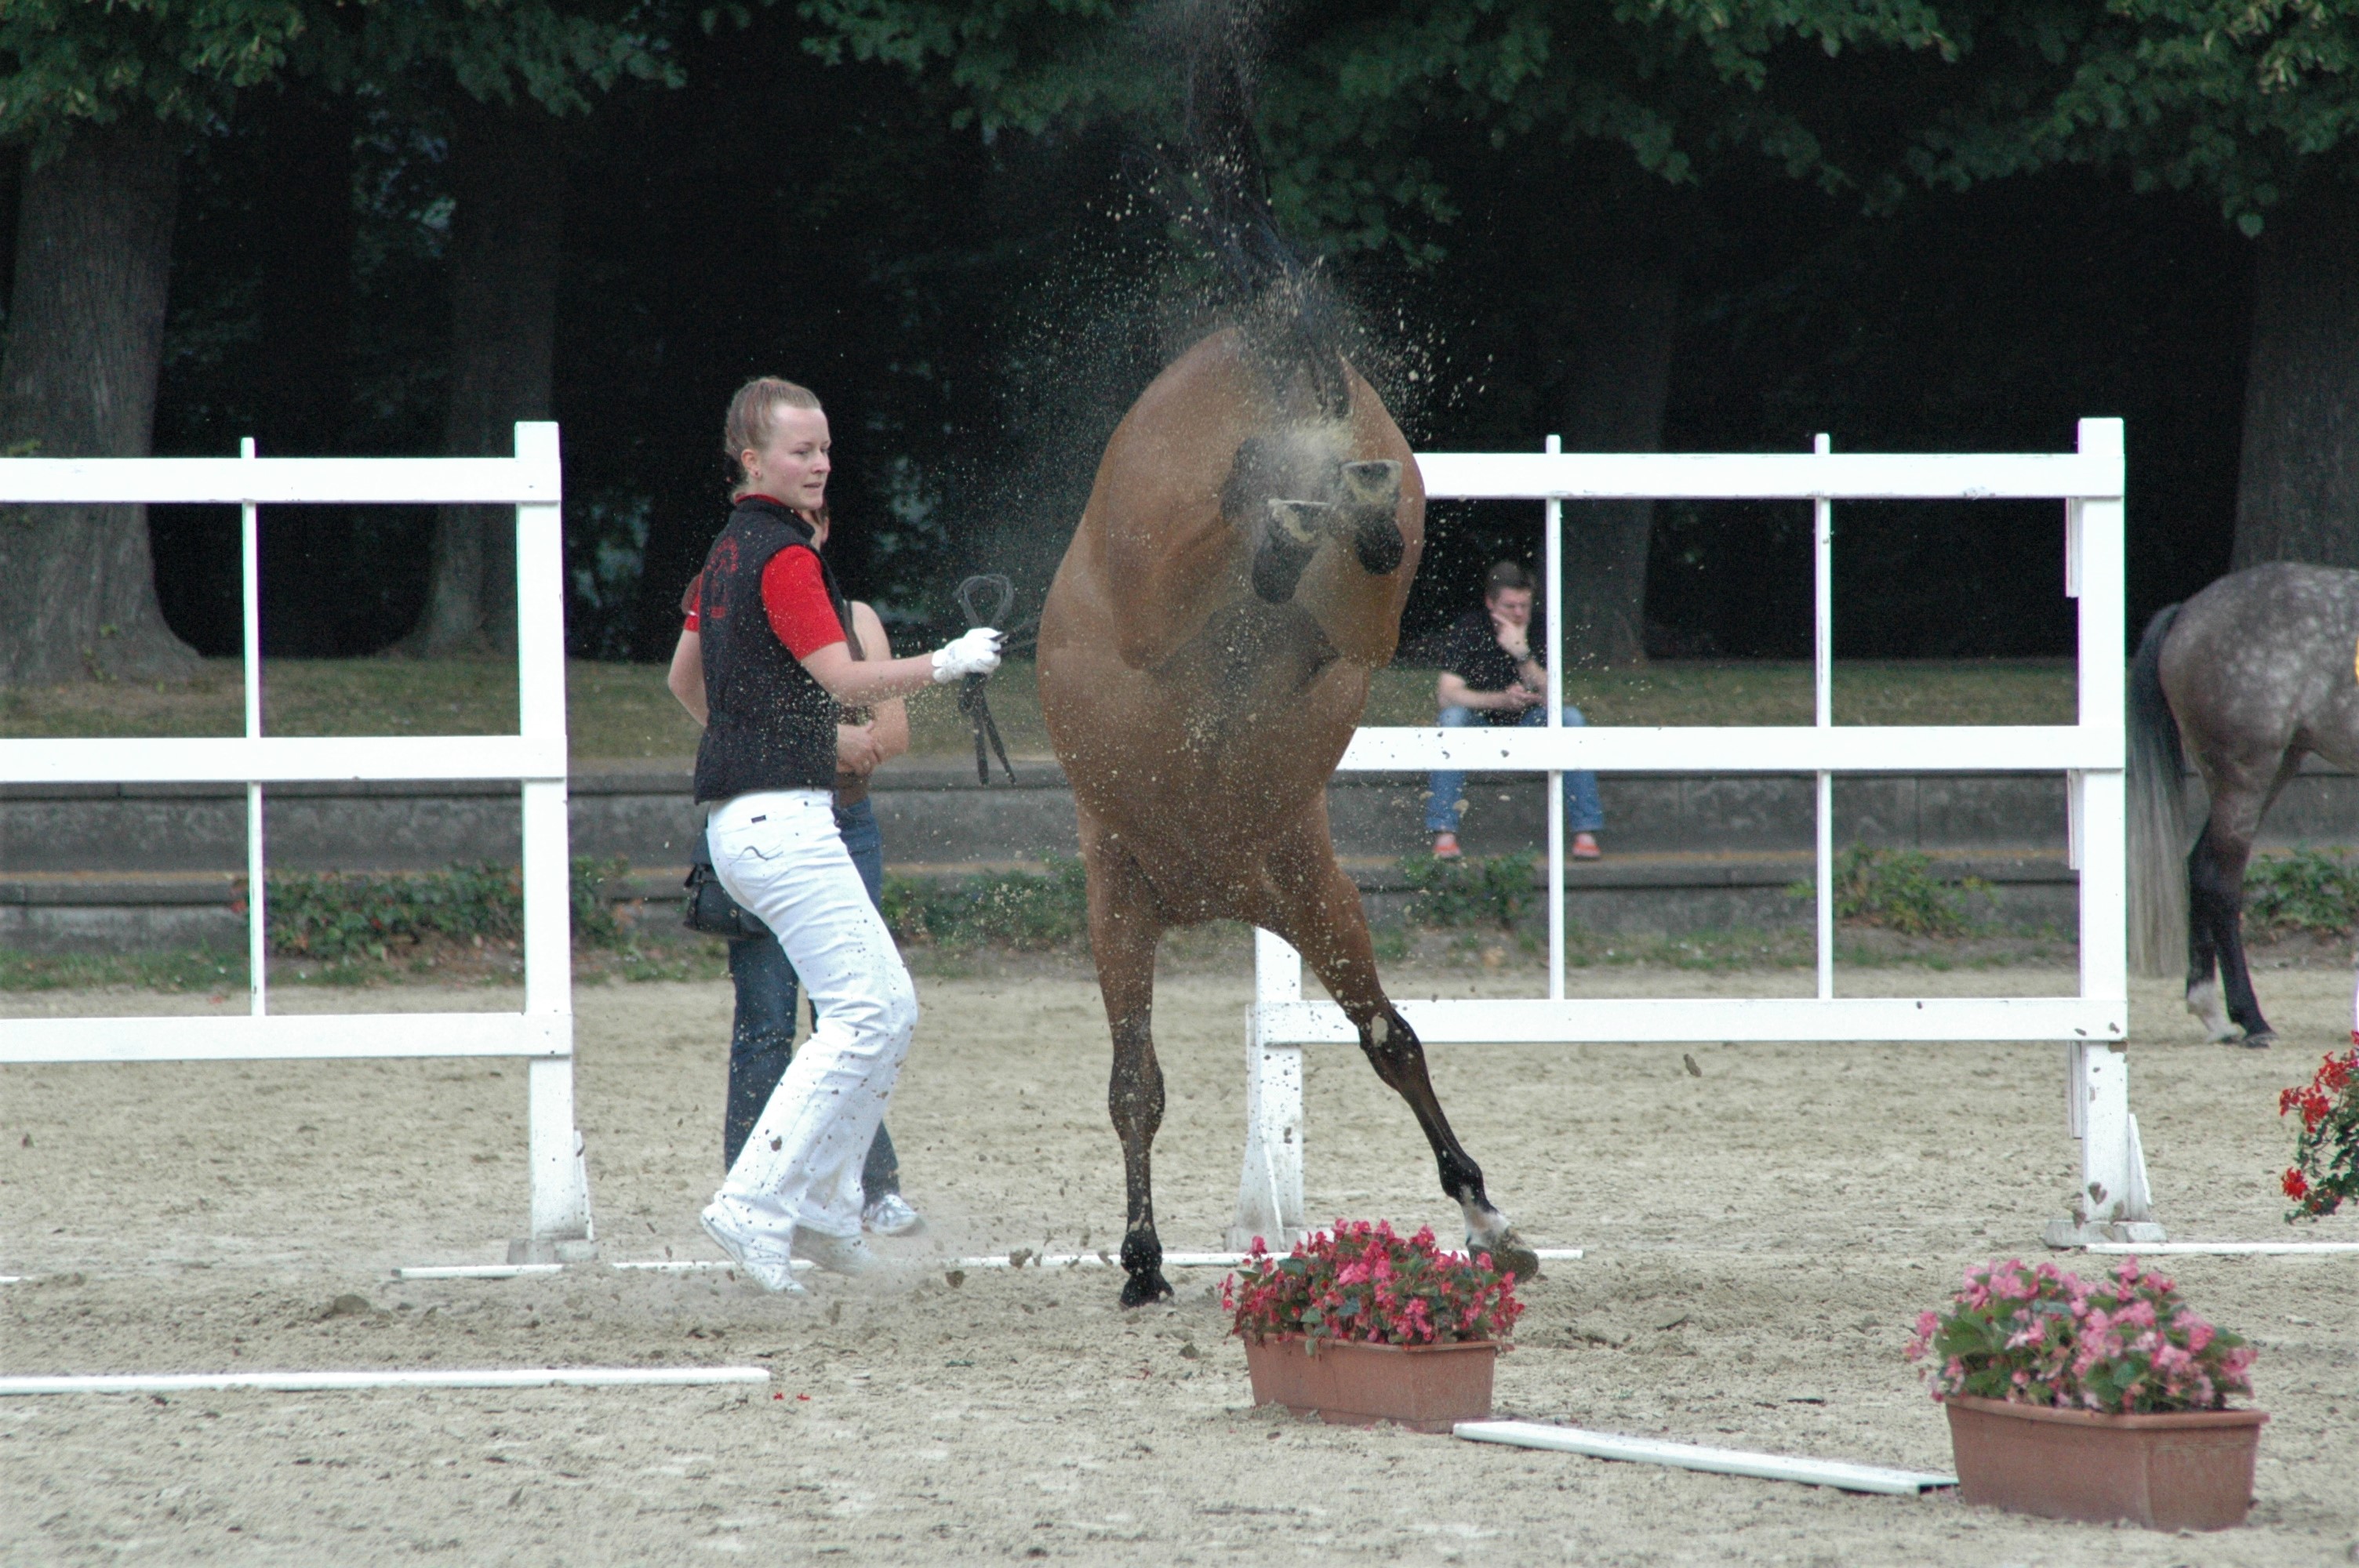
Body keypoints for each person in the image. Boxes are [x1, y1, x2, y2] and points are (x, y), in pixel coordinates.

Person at [678, 375, 1001, 1293]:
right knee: (865, 1013)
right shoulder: (782, 557)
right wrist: (946, 660)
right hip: (783, 820)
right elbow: (844, 677)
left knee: (886, 1006)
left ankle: (823, 1205)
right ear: (752, 457)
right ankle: (753, 1201)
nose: (819, 464)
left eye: (824, 449)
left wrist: (745, 736)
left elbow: (682, 681)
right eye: (799, 450)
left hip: (756, 818)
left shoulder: (724, 554)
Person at [668, 554, 922, 1238]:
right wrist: (800, 746)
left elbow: (891, 731)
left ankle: (864, 1187)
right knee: (766, 1018)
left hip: (843, 819)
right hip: (775, 815)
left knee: (854, 1012)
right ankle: (750, 1188)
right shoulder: (738, 595)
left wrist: (813, 746)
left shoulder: (853, 617)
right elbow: (692, 687)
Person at [1424, 561, 1605, 862]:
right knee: (1451, 720)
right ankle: (1445, 831)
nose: (1519, 613)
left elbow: (1556, 699)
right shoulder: (1470, 628)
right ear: (1490, 602)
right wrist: (1501, 700)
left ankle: (1585, 832)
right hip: (1479, 723)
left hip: (1529, 720)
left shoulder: (1542, 627)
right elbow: (1447, 694)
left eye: (1524, 605)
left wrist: (1522, 653)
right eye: (1510, 606)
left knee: (1572, 720)